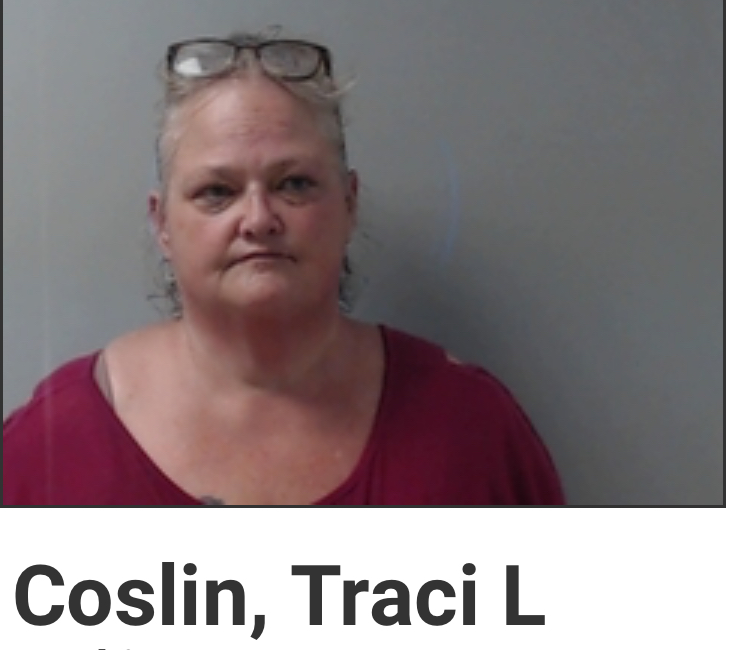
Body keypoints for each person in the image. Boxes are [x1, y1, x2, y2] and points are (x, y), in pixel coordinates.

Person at [2, 31, 564, 506]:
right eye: (217, 191)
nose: (259, 219)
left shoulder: (470, 426)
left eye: (294, 183)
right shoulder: (51, 448)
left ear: (349, 204)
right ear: (162, 223)